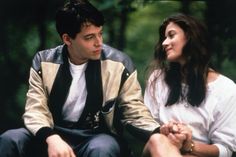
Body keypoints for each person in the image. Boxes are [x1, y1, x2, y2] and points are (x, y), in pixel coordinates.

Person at [0, 0, 162, 157]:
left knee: (102, 147)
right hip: (51, 132)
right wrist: (52, 138)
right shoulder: (44, 62)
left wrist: (158, 130)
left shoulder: (119, 64)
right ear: (67, 39)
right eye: (89, 37)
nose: (99, 42)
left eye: (100, 34)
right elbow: (35, 109)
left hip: (96, 136)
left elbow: (134, 110)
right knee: (10, 139)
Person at [142, 13, 236, 157]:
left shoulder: (226, 89)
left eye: (171, 35)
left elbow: (226, 150)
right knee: (158, 140)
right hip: (157, 150)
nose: (164, 43)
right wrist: (164, 131)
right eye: (164, 38)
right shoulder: (157, 79)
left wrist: (188, 145)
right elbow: (147, 129)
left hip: (197, 154)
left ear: (191, 38)